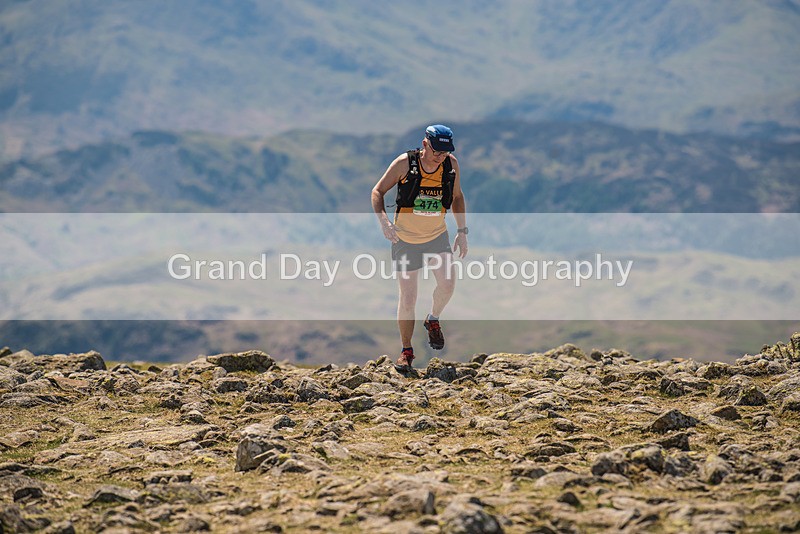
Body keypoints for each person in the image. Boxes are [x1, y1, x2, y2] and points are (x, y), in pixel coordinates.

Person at [371, 124, 468, 367]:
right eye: (436, 152)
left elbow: (456, 197)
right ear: (425, 144)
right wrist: (384, 222)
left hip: (437, 236)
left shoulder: (451, 165)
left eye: (445, 153)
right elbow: (378, 191)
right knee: (408, 297)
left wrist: (462, 231)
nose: (440, 157)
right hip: (405, 240)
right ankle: (407, 352)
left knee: (447, 284)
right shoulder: (405, 163)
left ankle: (432, 319)